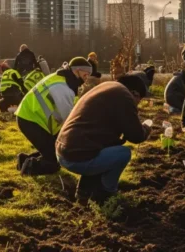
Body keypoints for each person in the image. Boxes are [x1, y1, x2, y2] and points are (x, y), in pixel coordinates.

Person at [58, 73, 151, 203]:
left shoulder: (107, 87)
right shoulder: (124, 95)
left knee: (104, 149)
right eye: (138, 100)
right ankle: (105, 194)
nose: (137, 105)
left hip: (64, 151)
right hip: (76, 157)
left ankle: (83, 193)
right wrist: (146, 127)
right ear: (134, 93)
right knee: (123, 154)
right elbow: (136, 136)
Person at [15, 57, 90, 176]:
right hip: (31, 120)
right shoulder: (63, 88)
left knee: (54, 151)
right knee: (54, 161)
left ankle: (24, 160)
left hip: (30, 117)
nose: (86, 79)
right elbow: (68, 121)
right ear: (77, 71)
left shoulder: (61, 78)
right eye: (86, 74)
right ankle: (29, 168)